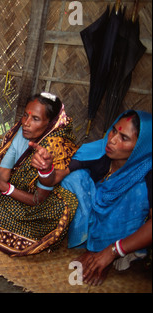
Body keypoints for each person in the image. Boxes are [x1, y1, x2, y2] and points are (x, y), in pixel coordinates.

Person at [31, 110, 152, 286]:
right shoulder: (99, 152)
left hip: (123, 230)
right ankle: (88, 241)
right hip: (95, 214)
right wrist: (46, 169)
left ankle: (106, 251)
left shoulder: (148, 173)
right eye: (114, 131)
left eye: (124, 138)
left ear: (141, 146)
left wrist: (111, 251)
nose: (112, 140)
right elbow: (55, 178)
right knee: (75, 178)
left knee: (137, 193)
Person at [0, 93, 78, 255]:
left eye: (35, 119)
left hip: (38, 207)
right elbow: (2, 175)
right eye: (25, 115)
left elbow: (37, 199)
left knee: (55, 212)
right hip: (14, 190)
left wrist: (2, 185)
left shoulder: (56, 146)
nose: (26, 123)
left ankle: (16, 232)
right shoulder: (20, 133)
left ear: (50, 123)